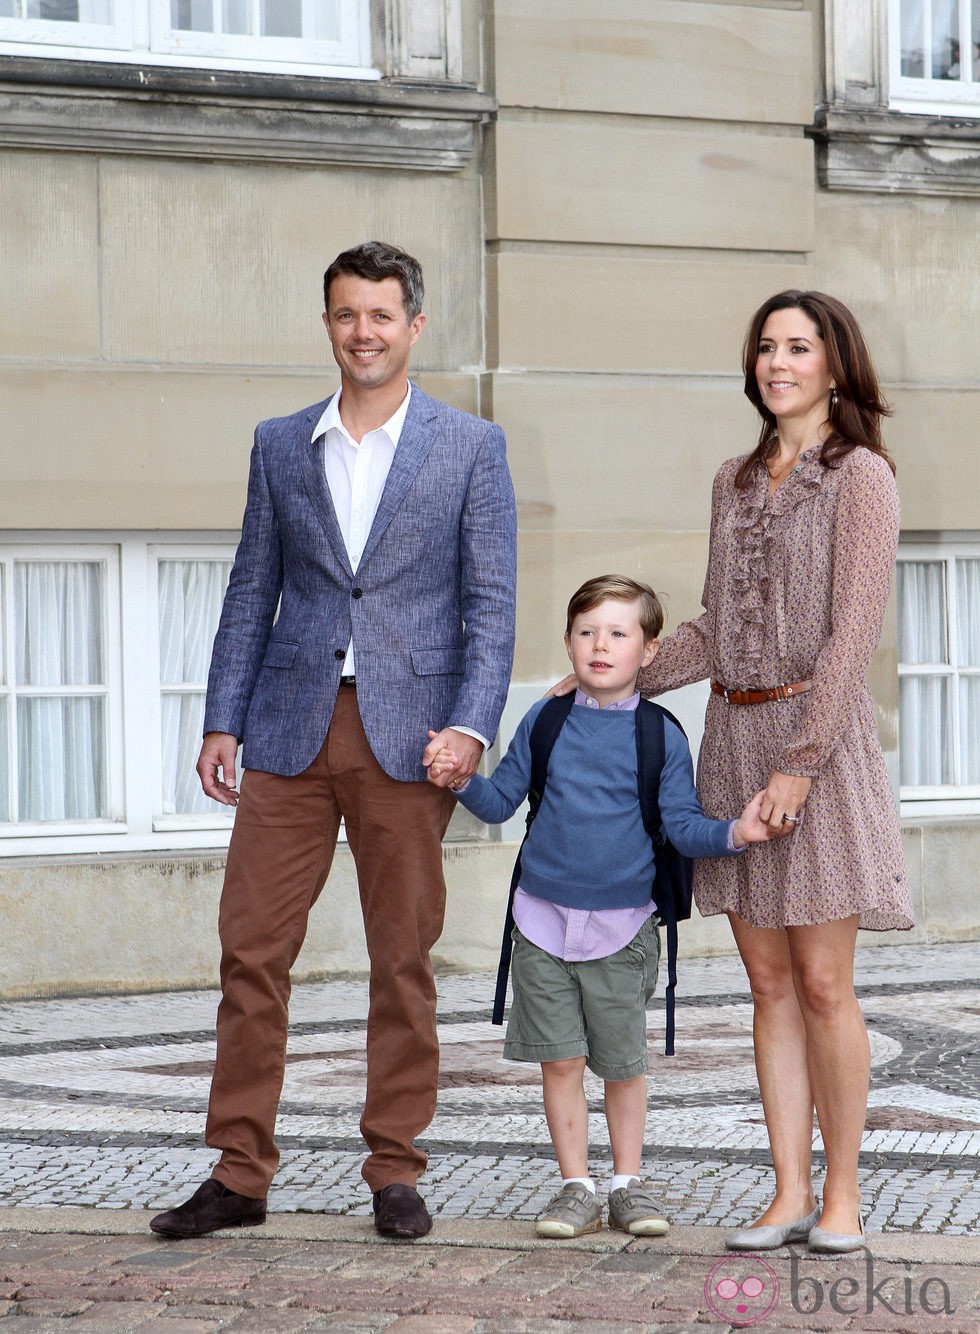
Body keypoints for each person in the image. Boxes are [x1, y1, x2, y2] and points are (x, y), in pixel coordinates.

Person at [150, 241, 517, 1242]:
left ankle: (394, 1166)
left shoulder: (468, 447)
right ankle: (239, 1169)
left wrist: (471, 726)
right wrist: (220, 714)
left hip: (411, 740)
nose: (363, 330)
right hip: (287, 727)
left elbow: (490, 606)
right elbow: (249, 588)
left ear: (413, 326)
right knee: (250, 949)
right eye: (346, 313)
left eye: (381, 314)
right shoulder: (281, 443)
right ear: (328, 323)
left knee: (401, 958)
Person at [552, 291, 913, 1254]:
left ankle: (843, 1198)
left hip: (816, 748)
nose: (779, 362)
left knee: (826, 983)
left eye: (800, 347)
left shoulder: (862, 477)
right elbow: (715, 627)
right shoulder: (734, 479)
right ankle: (788, 1191)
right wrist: (621, 670)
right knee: (766, 984)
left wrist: (801, 764)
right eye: (766, 348)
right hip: (732, 742)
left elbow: (851, 637)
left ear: (836, 365)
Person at [429, 575, 776, 1239]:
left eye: (618, 633)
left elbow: (680, 826)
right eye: (587, 632)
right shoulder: (545, 720)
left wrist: (738, 832)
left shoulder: (661, 735)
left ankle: (626, 1185)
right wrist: (459, 780)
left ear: (647, 651)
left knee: (622, 1064)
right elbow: (501, 802)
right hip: (539, 922)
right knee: (559, 1061)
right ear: (567, 641)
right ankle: (575, 1188)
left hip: (624, 929)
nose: (599, 645)